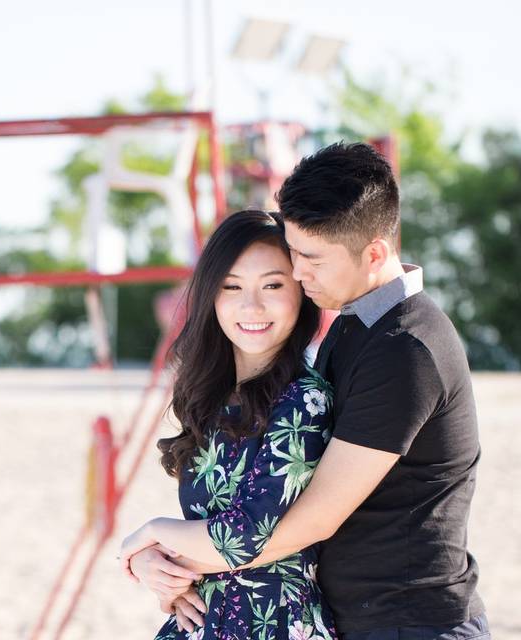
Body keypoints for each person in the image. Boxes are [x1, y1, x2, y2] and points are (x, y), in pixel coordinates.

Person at [130, 143, 489, 640]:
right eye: (294, 254)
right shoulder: (355, 326)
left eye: (311, 259)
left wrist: (151, 542)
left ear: (375, 253)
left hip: (410, 621)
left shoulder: (405, 347)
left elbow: (309, 521)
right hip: (353, 616)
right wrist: (160, 565)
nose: (299, 274)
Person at [118, 210, 338, 639]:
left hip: (275, 622)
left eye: (272, 285)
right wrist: (154, 568)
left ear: (300, 292)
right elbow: (209, 533)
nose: (251, 306)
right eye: (231, 286)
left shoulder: (304, 400)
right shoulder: (210, 398)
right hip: (201, 620)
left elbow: (246, 534)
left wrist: (151, 535)